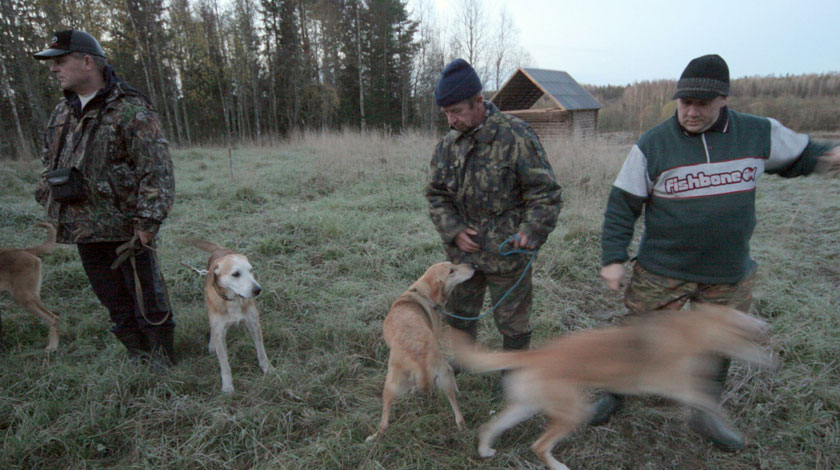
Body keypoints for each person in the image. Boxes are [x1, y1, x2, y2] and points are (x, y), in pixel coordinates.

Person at [596, 54, 840, 450]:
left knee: (717, 343)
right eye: (684, 103)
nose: (690, 112)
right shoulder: (653, 144)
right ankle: (614, 393)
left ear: (722, 100)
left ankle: (706, 413)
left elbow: (802, 154)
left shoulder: (758, 133)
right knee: (637, 334)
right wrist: (612, 258)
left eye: (702, 104)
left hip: (727, 271)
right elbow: (622, 204)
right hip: (663, 268)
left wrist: (828, 156)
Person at [33, 30, 176, 365]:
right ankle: (137, 354)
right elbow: (46, 161)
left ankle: (161, 361)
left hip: (127, 230)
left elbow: (157, 170)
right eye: (51, 63)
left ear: (87, 61)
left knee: (147, 298)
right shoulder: (62, 112)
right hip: (81, 228)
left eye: (60, 61)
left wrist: (148, 222)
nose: (54, 70)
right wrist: (47, 195)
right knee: (112, 299)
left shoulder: (129, 109)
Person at [426, 58, 562, 360]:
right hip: (463, 258)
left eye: (457, 111)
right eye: (446, 113)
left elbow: (546, 193)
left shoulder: (516, 136)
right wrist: (454, 230)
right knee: (459, 315)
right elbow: (436, 194)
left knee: (514, 322)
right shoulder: (448, 146)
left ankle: (512, 375)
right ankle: (462, 363)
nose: (451, 120)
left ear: (479, 101)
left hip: (508, 253)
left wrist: (530, 231)